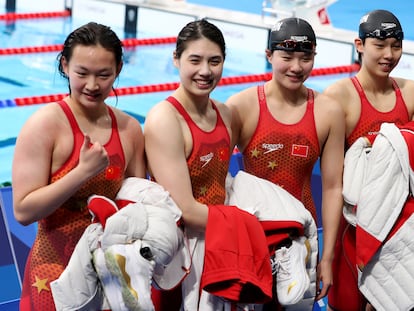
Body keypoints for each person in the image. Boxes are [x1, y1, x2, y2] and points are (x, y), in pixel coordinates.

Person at [12, 22, 146, 310]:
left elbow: (138, 208)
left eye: (104, 75)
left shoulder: (129, 129)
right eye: (82, 73)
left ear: (119, 69)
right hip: (52, 276)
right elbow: (23, 211)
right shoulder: (45, 125)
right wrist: (82, 172)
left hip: (111, 278)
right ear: (65, 65)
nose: (92, 85)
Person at [144, 19, 273, 310]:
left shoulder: (226, 114)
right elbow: (185, 210)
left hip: (220, 248)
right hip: (181, 259)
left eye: (214, 61)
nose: (205, 71)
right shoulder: (165, 119)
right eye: (195, 60)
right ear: (176, 59)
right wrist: (249, 228)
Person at [226, 17, 345, 309]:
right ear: (269, 56)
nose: (296, 67)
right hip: (254, 240)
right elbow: (219, 180)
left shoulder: (328, 111)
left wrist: (327, 257)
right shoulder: (242, 106)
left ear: (315, 57)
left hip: (302, 240)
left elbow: (332, 188)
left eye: (305, 58)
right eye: (287, 57)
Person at [323, 9, 414, 311]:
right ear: (359, 45)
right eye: (380, 45)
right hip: (353, 235)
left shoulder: (410, 94)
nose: (389, 54)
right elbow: (334, 184)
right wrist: (327, 255)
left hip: (398, 234)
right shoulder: (339, 97)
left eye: (396, 45)